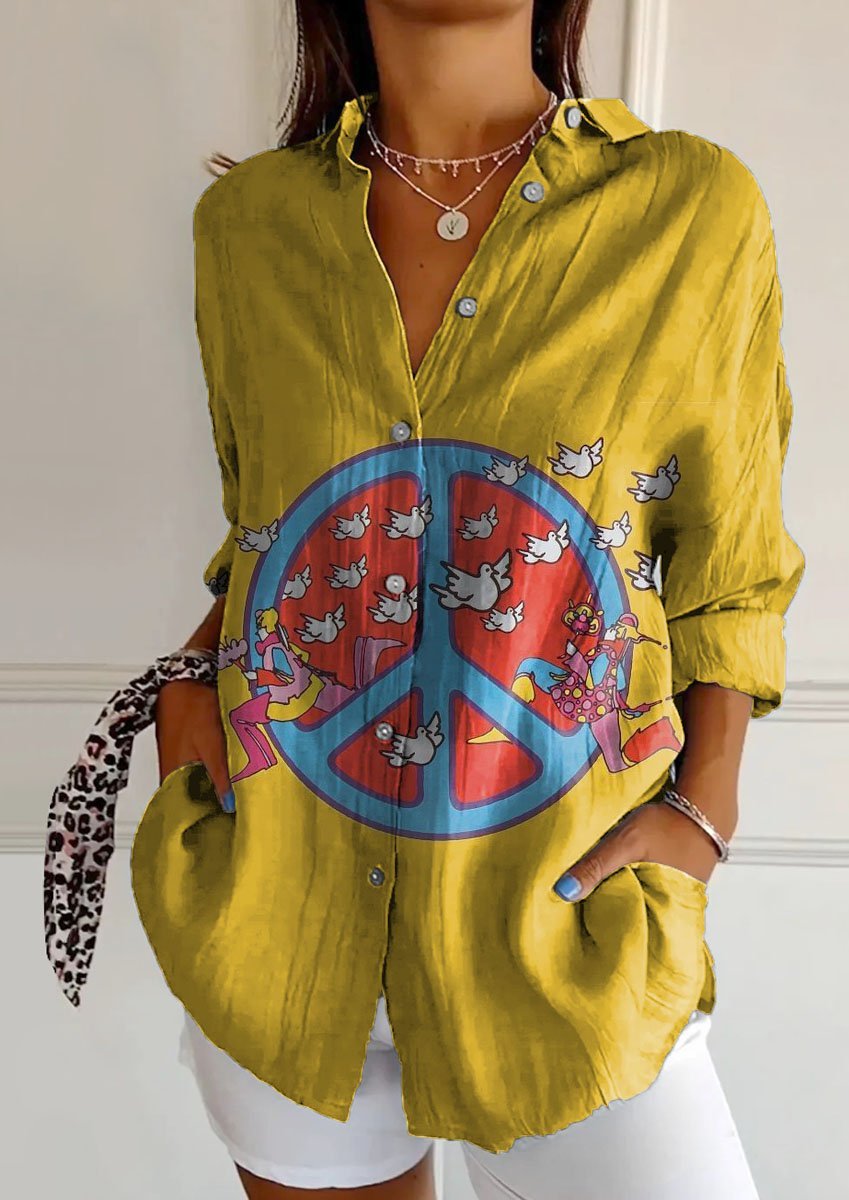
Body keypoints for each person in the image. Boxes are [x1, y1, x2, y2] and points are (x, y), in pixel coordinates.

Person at [148, 0, 806, 1196]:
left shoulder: (690, 211)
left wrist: (704, 812)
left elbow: (733, 561)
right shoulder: (246, 230)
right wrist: (188, 688)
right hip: (280, 914)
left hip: (566, 928)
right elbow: (269, 527)